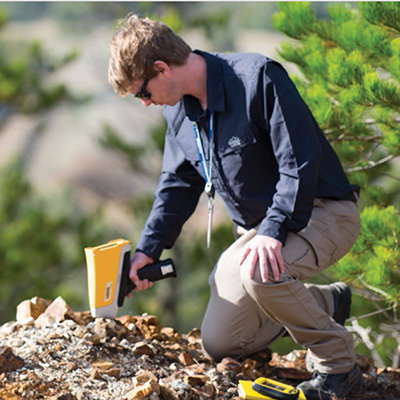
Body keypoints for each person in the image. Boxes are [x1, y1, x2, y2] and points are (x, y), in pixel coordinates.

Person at [108, 14, 363, 400]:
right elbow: (176, 184)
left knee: (262, 273)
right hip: (261, 232)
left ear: (161, 68)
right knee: (221, 343)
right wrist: (147, 249)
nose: (145, 103)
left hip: (321, 211)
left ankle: (338, 367)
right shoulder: (178, 112)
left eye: (143, 92)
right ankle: (326, 302)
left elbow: (299, 163)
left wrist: (273, 232)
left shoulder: (257, 78)